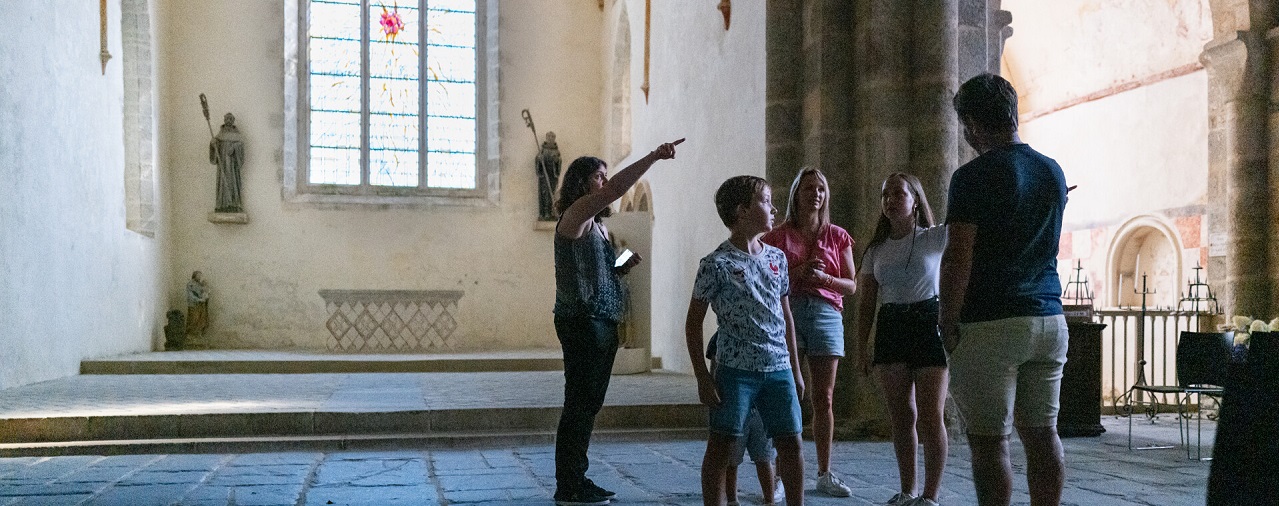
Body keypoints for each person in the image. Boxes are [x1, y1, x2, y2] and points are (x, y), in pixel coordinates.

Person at [940, 73, 1069, 506]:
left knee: (989, 442)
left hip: (992, 322)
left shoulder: (972, 176)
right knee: (1043, 433)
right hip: (1050, 317)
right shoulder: (1052, 171)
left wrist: (947, 322)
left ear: (973, 122)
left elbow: (959, 256)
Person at [552, 139, 682, 506]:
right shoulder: (574, 218)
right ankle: (568, 486)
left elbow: (604, 274)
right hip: (582, 321)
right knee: (578, 404)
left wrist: (624, 263)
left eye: (605, 175)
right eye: (598, 176)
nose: (604, 182)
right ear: (581, 183)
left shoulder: (600, 228)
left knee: (588, 404)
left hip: (603, 321)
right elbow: (617, 189)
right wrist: (654, 157)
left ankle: (577, 478)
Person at [686, 175, 805, 506]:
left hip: (778, 366)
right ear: (741, 211)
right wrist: (702, 377)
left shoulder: (777, 259)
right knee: (722, 444)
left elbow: (786, 319)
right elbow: (693, 325)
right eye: (765, 201)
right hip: (735, 371)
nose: (773, 207)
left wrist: (795, 369)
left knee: (791, 443)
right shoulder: (716, 264)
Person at [761, 167, 857, 497]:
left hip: (826, 313)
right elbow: (767, 279)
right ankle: (777, 476)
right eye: (809, 188)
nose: (816, 193)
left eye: (821, 189)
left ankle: (824, 472)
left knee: (824, 397)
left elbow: (851, 284)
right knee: (785, 394)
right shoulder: (776, 237)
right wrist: (798, 271)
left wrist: (826, 280)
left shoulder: (838, 235)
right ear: (796, 194)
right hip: (788, 312)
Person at [855, 173, 949, 506]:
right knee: (900, 417)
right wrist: (861, 345)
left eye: (899, 194)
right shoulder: (875, 250)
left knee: (930, 415)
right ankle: (908, 489)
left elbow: (974, 234)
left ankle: (930, 495)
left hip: (927, 322)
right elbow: (867, 303)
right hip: (891, 326)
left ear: (915, 200)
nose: (891, 200)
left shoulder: (935, 238)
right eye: (885, 195)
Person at [706, 333, 785, 506]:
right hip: (737, 406)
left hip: (758, 410)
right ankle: (732, 500)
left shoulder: (762, 335)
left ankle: (769, 500)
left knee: (764, 459)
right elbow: (715, 368)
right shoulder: (719, 339)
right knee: (731, 460)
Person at [209, 113, 245, 213]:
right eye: (226, 118)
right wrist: (213, 143)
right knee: (222, 182)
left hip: (233, 164)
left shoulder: (236, 133)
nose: (228, 120)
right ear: (224, 119)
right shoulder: (221, 133)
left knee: (232, 181)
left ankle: (234, 203)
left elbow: (240, 145)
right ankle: (222, 204)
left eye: (230, 119)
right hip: (223, 164)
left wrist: (234, 147)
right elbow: (215, 145)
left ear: (233, 120)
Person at [537, 131, 562, 221]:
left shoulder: (556, 151)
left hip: (552, 177)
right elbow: (538, 161)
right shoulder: (542, 150)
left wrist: (557, 161)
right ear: (546, 138)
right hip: (544, 177)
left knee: (552, 194)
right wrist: (539, 160)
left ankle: (551, 212)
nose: (551, 138)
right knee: (544, 194)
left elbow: (558, 162)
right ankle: (544, 213)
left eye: (552, 137)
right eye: (549, 137)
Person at [186, 271, 210, 339]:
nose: (199, 277)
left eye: (200, 275)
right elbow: (190, 295)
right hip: (193, 305)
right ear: (194, 276)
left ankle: (198, 334)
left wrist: (205, 295)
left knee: (201, 319)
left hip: (200, 305)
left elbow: (204, 292)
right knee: (193, 319)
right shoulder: (190, 284)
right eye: (198, 275)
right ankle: (190, 335)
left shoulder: (200, 284)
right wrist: (199, 299)